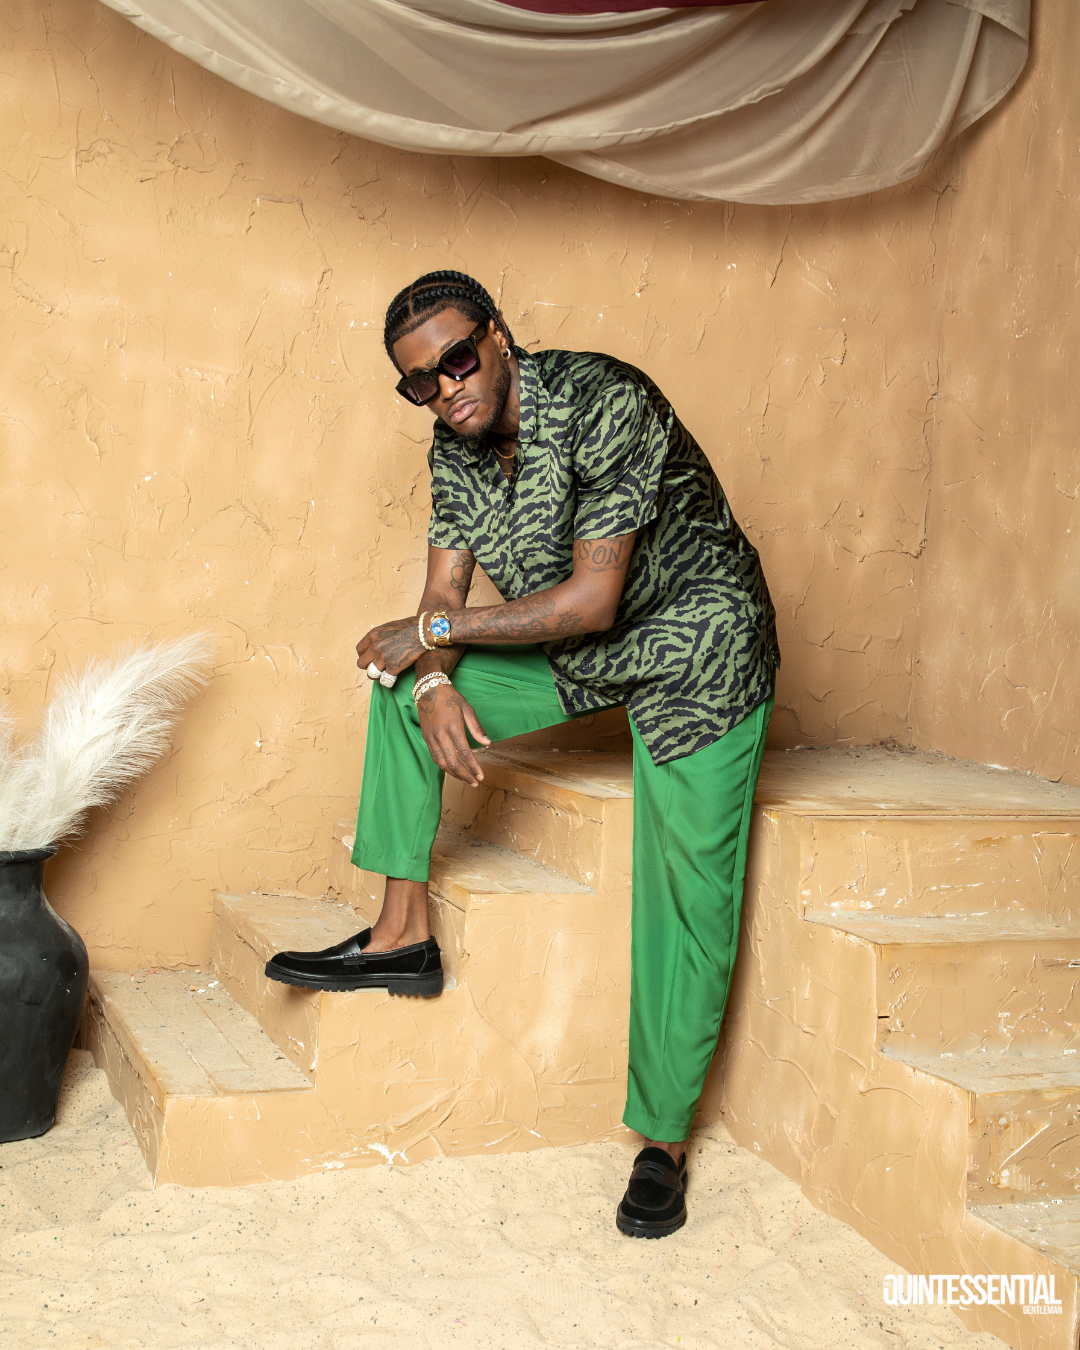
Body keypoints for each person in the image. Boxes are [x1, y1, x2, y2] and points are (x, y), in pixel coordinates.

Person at [266, 271, 780, 1239]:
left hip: (700, 643)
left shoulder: (604, 398)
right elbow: (436, 601)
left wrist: (438, 630)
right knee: (396, 681)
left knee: (688, 891)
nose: (447, 388)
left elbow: (588, 600)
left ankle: (663, 1141)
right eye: (421, 380)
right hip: (586, 650)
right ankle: (400, 935)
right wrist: (431, 676)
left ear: (499, 335)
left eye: (459, 359)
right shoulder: (452, 452)